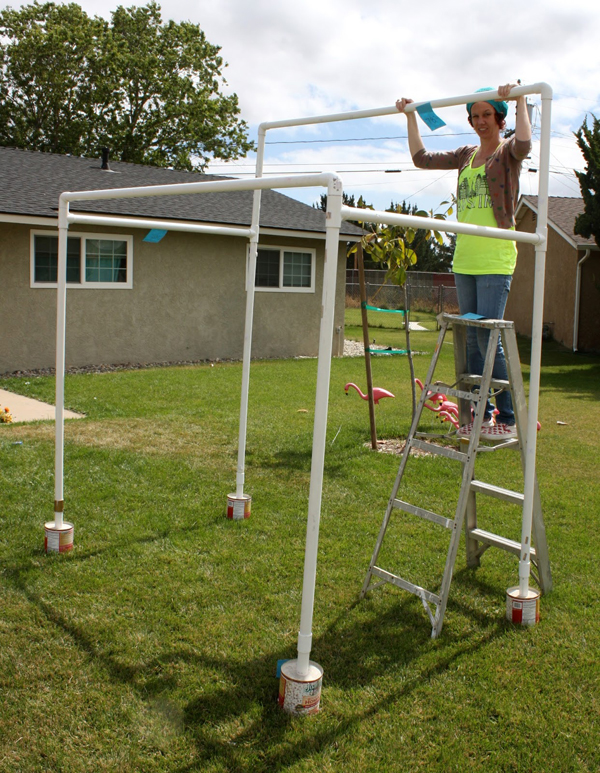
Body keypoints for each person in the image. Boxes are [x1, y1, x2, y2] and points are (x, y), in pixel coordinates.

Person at [396, 84, 532, 439]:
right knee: (471, 339)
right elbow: (421, 158)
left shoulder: (506, 153)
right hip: (465, 257)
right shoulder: (466, 154)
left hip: (495, 256)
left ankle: (507, 417)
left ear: (500, 118)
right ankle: (479, 415)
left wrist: (520, 99)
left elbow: (525, 144)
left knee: (489, 338)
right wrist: (411, 116)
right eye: (475, 115)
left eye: (487, 114)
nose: (480, 121)